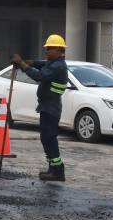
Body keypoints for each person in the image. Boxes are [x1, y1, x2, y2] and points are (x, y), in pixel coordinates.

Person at [10, 34, 70, 181]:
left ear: (58, 49)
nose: (46, 51)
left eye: (49, 48)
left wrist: (23, 65)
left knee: (49, 138)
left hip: (51, 107)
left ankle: (58, 171)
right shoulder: (54, 62)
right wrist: (28, 62)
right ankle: (53, 169)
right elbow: (41, 64)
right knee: (46, 138)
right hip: (47, 106)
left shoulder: (58, 66)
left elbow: (39, 76)